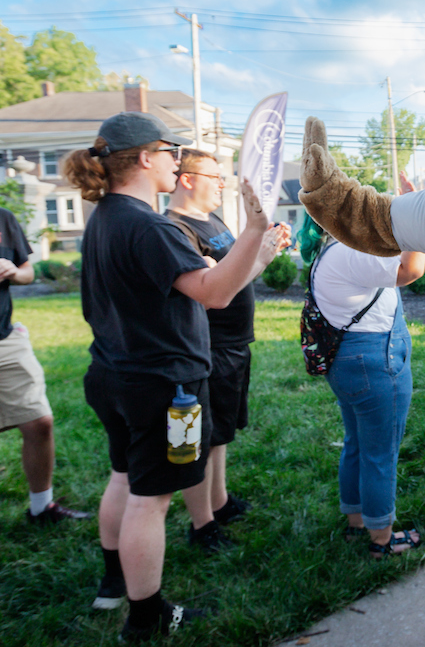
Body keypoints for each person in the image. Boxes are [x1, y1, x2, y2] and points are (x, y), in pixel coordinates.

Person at [63, 111, 283, 640]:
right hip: (163, 387)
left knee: (124, 477)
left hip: (111, 375)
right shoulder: (151, 225)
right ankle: (147, 617)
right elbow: (215, 293)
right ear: (143, 157)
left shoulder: (105, 219)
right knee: (151, 499)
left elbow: (206, 285)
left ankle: (113, 581)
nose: (176, 160)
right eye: (170, 152)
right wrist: (254, 230)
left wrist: (256, 252)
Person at [166, 149, 290, 550]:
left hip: (235, 343)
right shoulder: (177, 230)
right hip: (208, 348)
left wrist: (265, 253)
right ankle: (202, 525)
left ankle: (218, 503)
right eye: (215, 177)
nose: (223, 184)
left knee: (220, 435)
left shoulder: (212, 220)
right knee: (200, 440)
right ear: (187, 179)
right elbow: (210, 295)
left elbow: (235, 276)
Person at [303, 210, 425, 558]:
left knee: (357, 443)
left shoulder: (329, 249)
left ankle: (357, 521)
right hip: (374, 362)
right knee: (380, 453)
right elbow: (411, 270)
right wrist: (418, 217)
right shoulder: (348, 250)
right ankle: (382, 539)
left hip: (348, 361)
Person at [0, 206, 90, 524]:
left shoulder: (4, 218)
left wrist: (12, 270)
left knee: (39, 422)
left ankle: (42, 507)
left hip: (5, 339)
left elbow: (29, 272)